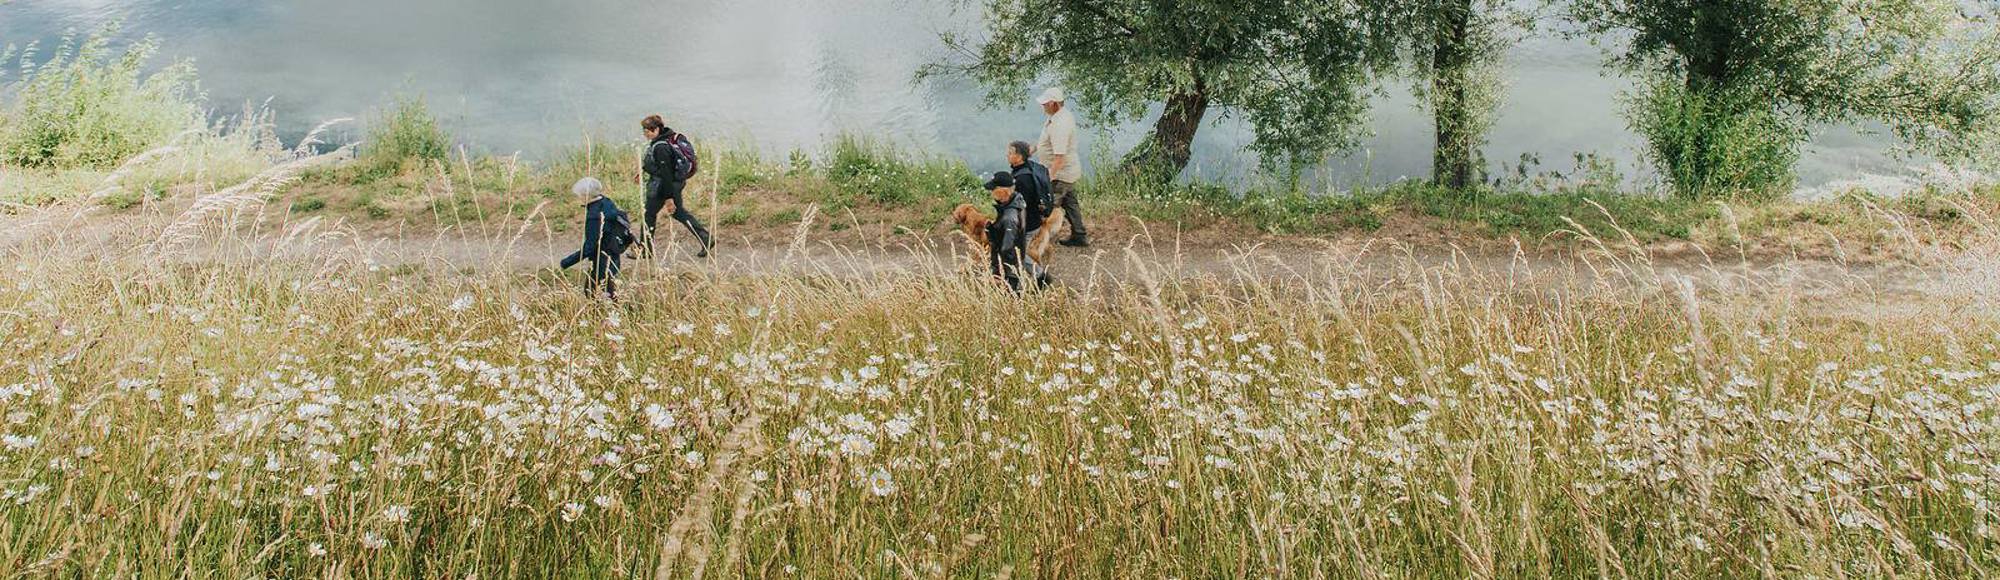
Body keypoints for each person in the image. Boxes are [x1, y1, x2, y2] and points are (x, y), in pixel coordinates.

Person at [637, 114, 714, 258]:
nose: (646, 133)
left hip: (664, 186)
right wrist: (643, 169)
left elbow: (666, 173)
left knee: (649, 215)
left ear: (658, 129)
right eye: (644, 130)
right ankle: (705, 237)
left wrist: (668, 198)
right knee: (679, 213)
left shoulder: (661, 147)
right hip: (675, 183)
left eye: (649, 130)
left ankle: (645, 251)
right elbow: (660, 165)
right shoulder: (666, 139)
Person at [558, 177, 632, 300]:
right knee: (606, 291)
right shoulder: (607, 201)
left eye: (580, 195)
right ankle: (615, 313)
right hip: (614, 253)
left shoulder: (594, 216)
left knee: (594, 292)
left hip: (602, 260)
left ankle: (607, 315)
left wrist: (566, 262)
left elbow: (590, 247)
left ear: (586, 196)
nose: (578, 198)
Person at [1035, 88, 1088, 247]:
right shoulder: (1059, 116)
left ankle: (1039, 241)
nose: (1042, 106)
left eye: (1045, 103)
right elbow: (1048, 142)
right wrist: (1032, 149)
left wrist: (1047, 178)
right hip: (1068, 172)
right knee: (1071, 204)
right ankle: (1079, 235)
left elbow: (1059, 157)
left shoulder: (1060, 124)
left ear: (1053, 103)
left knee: (1047, 207)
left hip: (1060, 174)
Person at [983, 171, 1030, 293]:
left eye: (993, 189)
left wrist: (998, 273)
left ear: (1003, 191)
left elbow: (1007, 249)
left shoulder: (1010, 217)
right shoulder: (1016, 201)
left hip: (1009, 270)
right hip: (1014, 265)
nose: (991, 192)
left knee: (1008, 298)